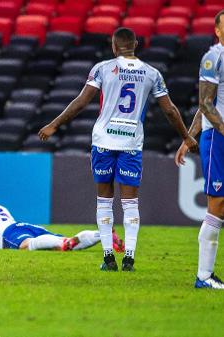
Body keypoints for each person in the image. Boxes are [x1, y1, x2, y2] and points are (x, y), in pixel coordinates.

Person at [38, 27, 198, 271]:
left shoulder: (102, 68)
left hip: (103, 142)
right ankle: (130, 258)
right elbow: (170, 110)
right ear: (137, 44)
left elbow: (81, 102)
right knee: (130, 203)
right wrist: (186, 137)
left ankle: (108, 257)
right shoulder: (151, 73)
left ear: (114, 46)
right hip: (131, 144)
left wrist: (54, 124)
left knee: (104, 200)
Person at [175, 10, 224, 289]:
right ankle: (203, 276)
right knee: (217, 203)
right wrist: (189, 137)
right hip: (217, 138)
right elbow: (205, 105)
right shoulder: (212, 57)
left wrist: (186, 139)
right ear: (217, 30)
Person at [0, 203, 124, 252]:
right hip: (22, 226)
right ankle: (104, 234)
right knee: (64, 245)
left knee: (27, 245)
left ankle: (66, 243)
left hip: (7, 233)